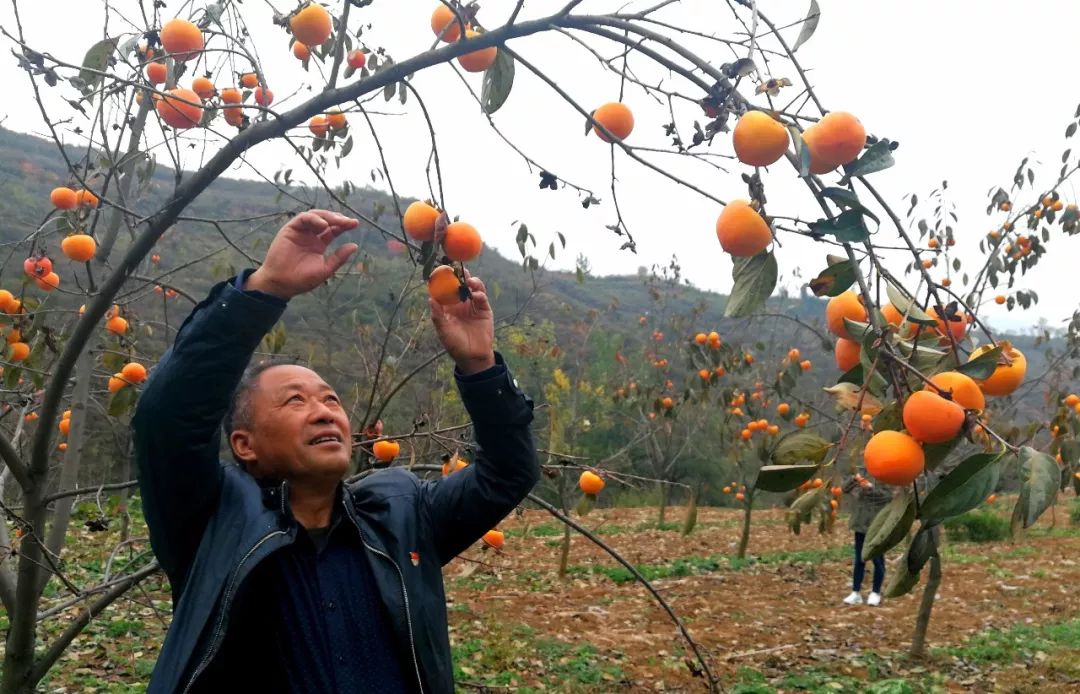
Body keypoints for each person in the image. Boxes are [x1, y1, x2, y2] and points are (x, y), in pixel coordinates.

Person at [132, 210, 539, 693]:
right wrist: (265, 289)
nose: (325, 412)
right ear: (245, 445)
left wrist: (479, 365)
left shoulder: (402, 516)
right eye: (295, 401)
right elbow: (168, 417)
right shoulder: (210, 522)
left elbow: (508, 472)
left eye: (331, 400)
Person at [842, 473, 892, 606]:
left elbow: (887, 496)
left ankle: (875, 592)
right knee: (859, 560)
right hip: (860, 525)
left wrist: (870, 488)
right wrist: (854, 479)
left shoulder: (888, 476)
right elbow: (845, 489)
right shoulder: (864, 473)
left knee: (877, 560)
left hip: (876, 526)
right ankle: (855, 592)